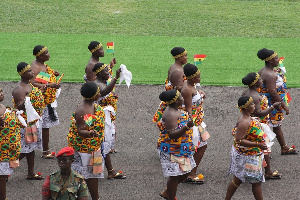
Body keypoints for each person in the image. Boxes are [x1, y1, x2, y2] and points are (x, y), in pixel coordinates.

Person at [67, 82, 105, 200]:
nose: (100, 93)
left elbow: (89, 122)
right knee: (90, 174)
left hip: (92, 146)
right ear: (93, 96)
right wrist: (90, 133)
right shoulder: (82, 110)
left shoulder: (90, 104)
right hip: (85, 148)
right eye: (98, 92)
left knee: (92, 173)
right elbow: (80, 131)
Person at [225, 96, 267, 200]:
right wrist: (258, 145)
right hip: (249, 157)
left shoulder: (248, 117)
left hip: (249, 155)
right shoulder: (244, 121)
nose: (254, 105)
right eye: (252, 104)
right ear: (245, 108)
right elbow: (240, 140)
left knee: (237, 180)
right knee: (256, 183)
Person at [242, 72, 282, 179]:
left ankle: (249, 169)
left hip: (249, 123)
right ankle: (268, 171)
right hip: (258, 125)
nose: (262, 81)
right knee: (265, 148)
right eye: (259, 80)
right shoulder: (254, 96)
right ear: (255, 83)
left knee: (254, 148)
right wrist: (273, 107)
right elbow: (259, 113)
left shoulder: (246, 92)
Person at [257, 48, 297, 155]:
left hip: (265, 103)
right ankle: (264, 152)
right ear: (270, 61)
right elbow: (273, 93)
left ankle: (284, 147)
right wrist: (284, 105)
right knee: (267, 127)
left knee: (275, 125)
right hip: (271, 104)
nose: (278, 60)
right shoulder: (270, 74)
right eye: (276, 58)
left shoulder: (265, 70)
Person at [157, 89, 195, 200]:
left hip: (181, 149)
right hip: (172, 150)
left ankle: (167, 192)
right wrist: (187, 126)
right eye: (180, 97)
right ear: (175, 101)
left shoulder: (177, 109)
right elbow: (172, 135)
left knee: (185, 173)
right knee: (174, 177)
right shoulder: (170, 114)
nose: (183, 98)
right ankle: (171, 197)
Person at [92, 63, 126, 179]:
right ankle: (104, 171)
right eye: (106, 71)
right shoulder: (98, 85)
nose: (109, 73)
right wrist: (116, 77)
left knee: (103, 146)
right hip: (98, 120)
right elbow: (105, 91)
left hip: (102, 118)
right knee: (102, 145)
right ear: (99, 73)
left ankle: (110, 171)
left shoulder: (101, 82)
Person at [12, 62, 46, 180]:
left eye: (31, 70)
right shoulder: (19, 89)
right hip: (26, 124)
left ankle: (30, 173)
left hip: (33, 122)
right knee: (26, 150)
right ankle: (6, 169)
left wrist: (38, 94)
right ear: (22, 74)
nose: (32, 73)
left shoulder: (29, 84)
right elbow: (19, 105)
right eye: (29, 71)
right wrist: (31, 100)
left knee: (30, 148)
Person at [31, 45, 60, 159]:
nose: (49, 54)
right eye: (46, 53)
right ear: (40, 55)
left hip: (44, 101)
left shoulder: (41, 65)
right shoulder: (35, 67)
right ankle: (45, 151)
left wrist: (52, 74)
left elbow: (41, 78)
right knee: (44, 127)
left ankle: (43, 149)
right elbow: (32, 83)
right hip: (40, 103)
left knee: (44, 127)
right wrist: (50, 85)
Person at [181, 63, 208, 184]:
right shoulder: (187, 89)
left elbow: (194, 100)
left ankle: (190, 172)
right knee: (192, 148)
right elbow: (188, 108)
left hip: (198, 123)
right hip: (194, 124)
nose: (200, 77)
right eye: (198, 76)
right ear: (191, 77)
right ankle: (188, 174)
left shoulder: (192, 86)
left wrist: (200, 95)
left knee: (202, 145)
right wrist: (191, 124)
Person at [153, 47, 188, 123]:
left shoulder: (174, 66)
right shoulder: (178, 71)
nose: (187, 58)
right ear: (179, 57)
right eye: (185, 56)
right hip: (178, 105)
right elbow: (179, 89)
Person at [0, 87, 22, 200]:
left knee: (2, 176)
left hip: (7, 149)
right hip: (1, 152)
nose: (2, 94)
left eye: (1, 91)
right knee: (1, 177)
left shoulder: (3, 107)